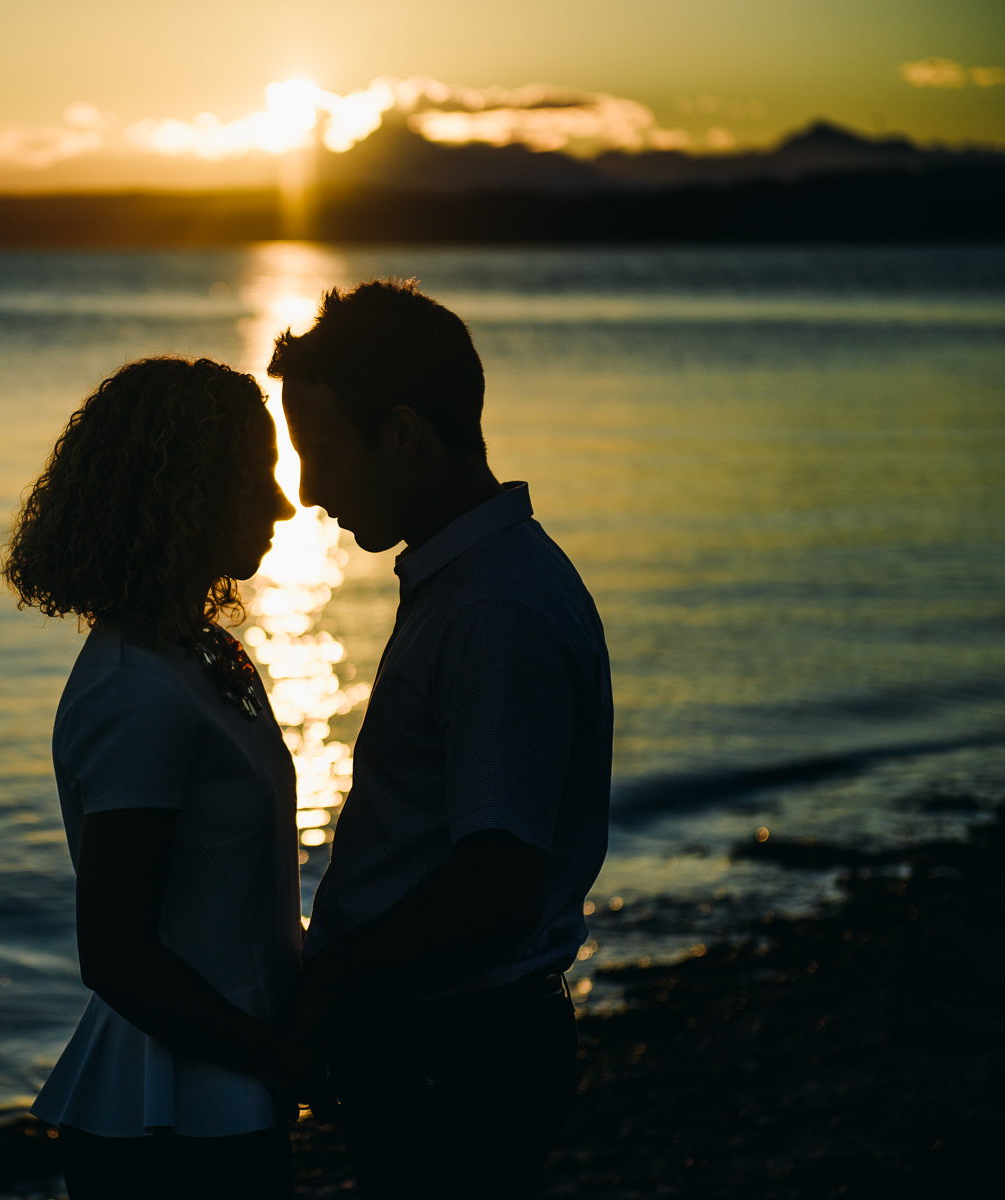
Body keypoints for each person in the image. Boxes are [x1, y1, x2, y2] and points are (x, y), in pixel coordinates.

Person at [270, 280, 613, 1199]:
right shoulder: (473, 586)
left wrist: (332, 977)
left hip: (458, 1050)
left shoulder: (491, 611)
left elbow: (496, 883)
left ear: (406, 436)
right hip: (452, 1042)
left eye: (322, 452)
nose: (306, 492)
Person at [4, 357, 320, 1200]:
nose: (283, 503)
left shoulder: (199, 658)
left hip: (222, 1096)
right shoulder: (132, 690)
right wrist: (286, 1062)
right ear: (186, 495)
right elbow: (115, 952)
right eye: (256, 477)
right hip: (164, 1121)